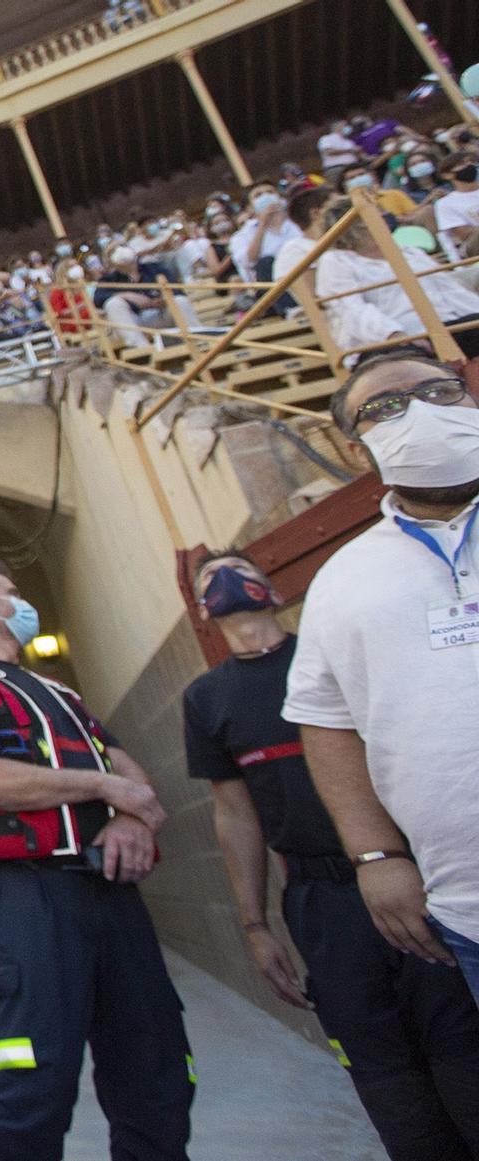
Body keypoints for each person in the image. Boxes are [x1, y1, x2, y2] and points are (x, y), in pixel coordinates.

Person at [183, 548, 479, 1160]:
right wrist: (255, 924)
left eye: (240, 567)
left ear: (271, 587)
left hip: (409, 879)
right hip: (322, 904)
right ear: (202, 611)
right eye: (209, 578)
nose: (227, 580)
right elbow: (234, 814)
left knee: (461, 1045)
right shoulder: (205, 699)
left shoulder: (327, 660)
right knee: (381, 1066)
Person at [0, 561, 191, 1161]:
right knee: (34, 1085)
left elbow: (130, 775)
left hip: (113, 893)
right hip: (30, 898)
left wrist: (127, 815)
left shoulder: (64, 694)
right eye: (11, 593)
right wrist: (105, 789)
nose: (22, 602)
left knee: (158, 1068)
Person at [288, 351, 479, 1005]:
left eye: (439, 391)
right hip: (468, 909)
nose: (420, 411)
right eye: (386, 407)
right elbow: (328, 721)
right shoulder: (343, 578)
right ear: (354, 448)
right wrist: (374, 854)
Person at [313, 200, 479, 360]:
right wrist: (393, 334)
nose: (385, 218)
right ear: (355, 227)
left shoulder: (410, 253)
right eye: (377, 214)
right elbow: (351, 309)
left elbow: (451, 291)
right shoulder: (336, 261)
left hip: (447, 325)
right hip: (392, 339)